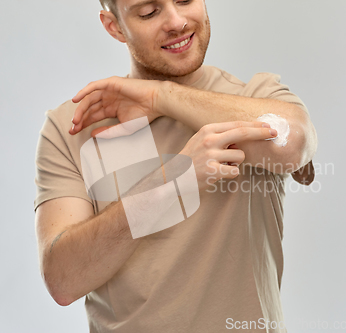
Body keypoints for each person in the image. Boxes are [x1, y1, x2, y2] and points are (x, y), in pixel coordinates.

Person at [34, 0, 317, 332]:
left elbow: (292, 144)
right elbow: (63, 280)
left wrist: (161, 96)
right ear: (114, 26)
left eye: (185, 0)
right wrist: (174, 181)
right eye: (149, 12)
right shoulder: (75, 126)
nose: (177, 21)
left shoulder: (255, 97)